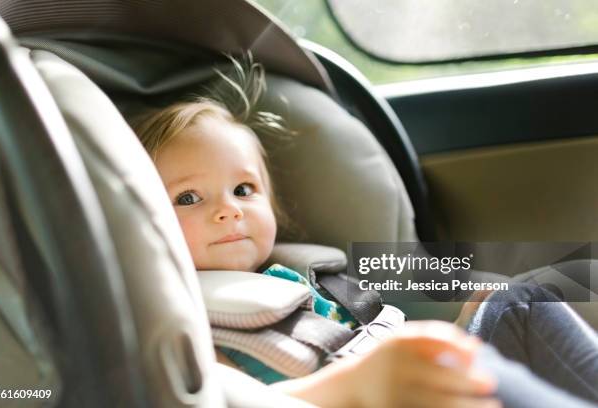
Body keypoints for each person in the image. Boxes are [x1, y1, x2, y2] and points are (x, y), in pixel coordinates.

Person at [132, 57, 598, 408]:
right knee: (471, 367)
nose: (228, 210)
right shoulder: (179, 322)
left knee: (515, 301)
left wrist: (455, 329)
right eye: (189, 198)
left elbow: (374, 339)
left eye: (243, 189)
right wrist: (355, 384)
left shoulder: (305, 279)